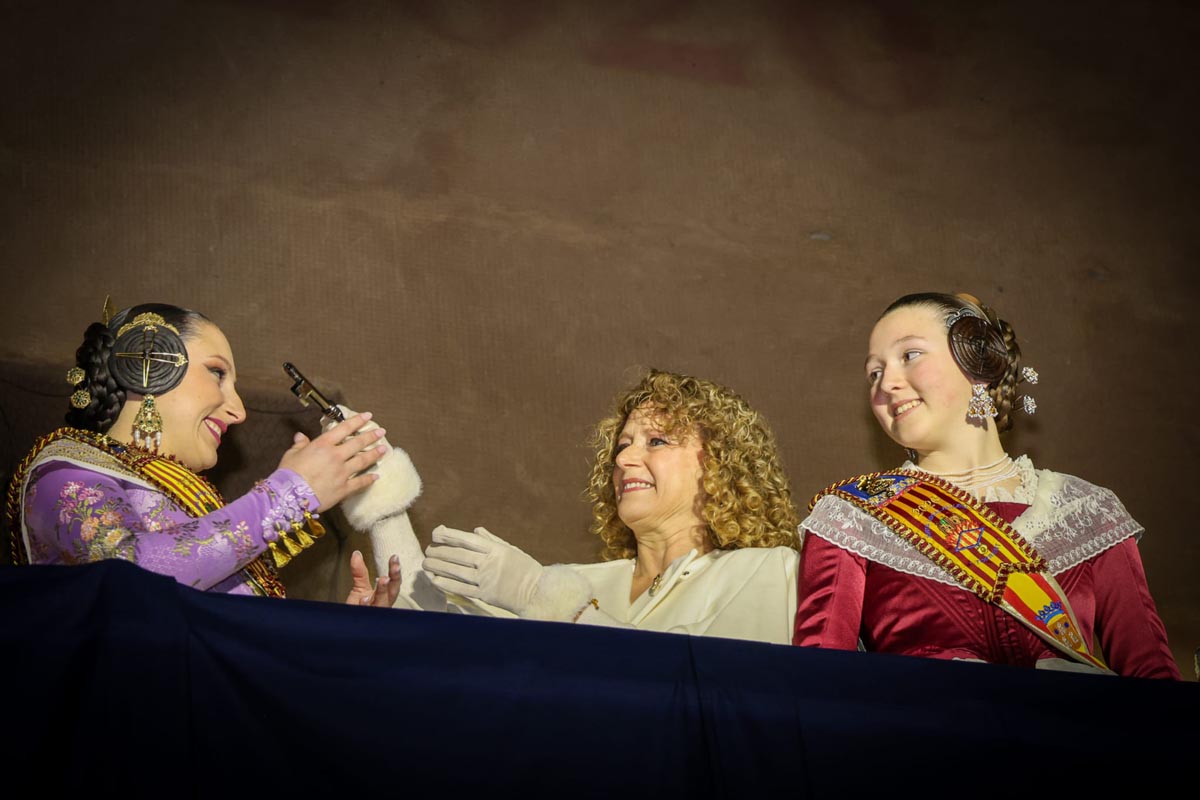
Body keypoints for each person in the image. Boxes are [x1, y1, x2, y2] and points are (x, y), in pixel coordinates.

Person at [793, 292, 1180, 678]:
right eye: (874, 373)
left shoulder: (1087, 509)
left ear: (979, 362)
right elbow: (819, 687)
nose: (887, 384)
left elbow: (1154, 681)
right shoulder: (851, 516)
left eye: (909, 355)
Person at [6, 301, 394, 601]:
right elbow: (125, 576)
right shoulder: (62, 473)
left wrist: (343, 634)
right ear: (149, 364)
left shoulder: (185, 501)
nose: (238, 410)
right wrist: (286, 497)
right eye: (217, 373)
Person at [418, 369, 802, 644]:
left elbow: (707, 687)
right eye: (622, 445)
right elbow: (450, 643)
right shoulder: (578, 580)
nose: (623, 460)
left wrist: (542, 596)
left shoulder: (770, 569)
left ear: (720, 462)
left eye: (656, 442)